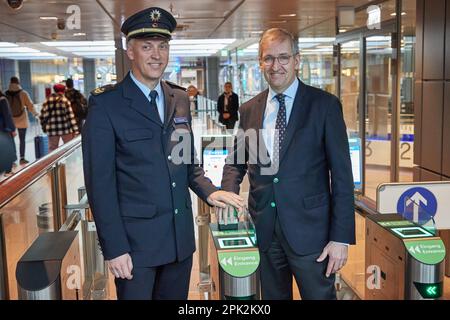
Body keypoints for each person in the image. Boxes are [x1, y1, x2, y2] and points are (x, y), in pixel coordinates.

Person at [82, 7, 244, 300]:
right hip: (135, 248)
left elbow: (186, 162)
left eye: (163, 46)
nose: (157, 55)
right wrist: (115, 248)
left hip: (179, 242)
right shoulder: (107, 106)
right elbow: (100, 185)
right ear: (130, 51)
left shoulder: (179, 97)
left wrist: (209, 192)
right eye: (147, 47)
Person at [220, 28, 355, 300]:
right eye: (268, 58)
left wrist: (340, 238)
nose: (276, 65)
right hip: (265, 233)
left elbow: (341, 176)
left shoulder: (324, 106)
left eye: (283, 57)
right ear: (260, 62)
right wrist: (228, 195)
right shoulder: (249, 110)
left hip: (312, 235)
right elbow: (236, 162)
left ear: (297, 60)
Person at [5, 76, 38, 165]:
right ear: (18, 83)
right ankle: (22, 158)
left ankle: (12, 160)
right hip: (22, 119)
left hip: (11, 121)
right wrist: (35, 114)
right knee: (22, 139)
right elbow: (30, 105)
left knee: (10, 140)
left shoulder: (6, 94)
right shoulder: (23, 93)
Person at [39, 83, 79, 152]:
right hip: (65, 129)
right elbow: (70, 117)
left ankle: (54, 163)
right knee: (68, 148)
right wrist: (75, 130)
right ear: (63, 91)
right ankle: (69, 162)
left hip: (52, 129)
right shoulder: (65, 100)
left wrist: (44, 127)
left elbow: (42, 116)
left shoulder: (47, 101)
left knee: (52, 149)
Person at [0, 90, 17, 177]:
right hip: (3, 129)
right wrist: (12, 129)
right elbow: (7, 115)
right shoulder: (2, 99)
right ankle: (8, 171)